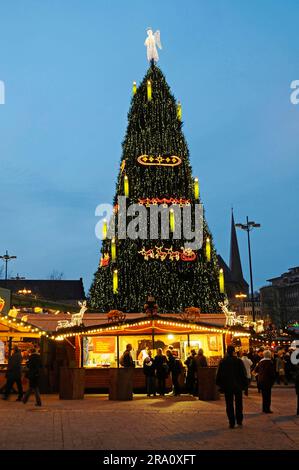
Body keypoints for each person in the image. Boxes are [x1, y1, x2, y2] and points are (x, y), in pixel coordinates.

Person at [216, 345, 248, 429]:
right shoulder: (238, 361)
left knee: (229, 404)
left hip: (227, 386)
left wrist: (220, 384)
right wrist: (244, 385)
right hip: (238, 386)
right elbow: (243, 374)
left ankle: (231, 422)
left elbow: (219, 374)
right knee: (239, 403)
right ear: (233, 351)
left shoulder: (223, 361)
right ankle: (239, 420)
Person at [254, 350, 276, 414]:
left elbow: (255, 370)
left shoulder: (260, 362)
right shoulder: (270, 362)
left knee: (264, 395)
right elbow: (272, 373)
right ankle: (267, 409)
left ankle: (264, 408)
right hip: (267, 381)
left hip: (261, 380)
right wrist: (273, 380)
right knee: (268, 396)